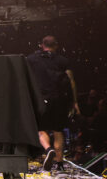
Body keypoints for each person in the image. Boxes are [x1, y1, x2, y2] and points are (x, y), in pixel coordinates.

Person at [27, 35, 78, 171]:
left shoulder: (31, 59)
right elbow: (71, 81)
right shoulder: (63, 61)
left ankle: (48, 149)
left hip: (41, 99)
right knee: (58, 130)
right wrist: (74, 101)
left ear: (41, 45)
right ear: (56, 46)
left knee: (40, 130)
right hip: (59, 99)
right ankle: (59, 163)